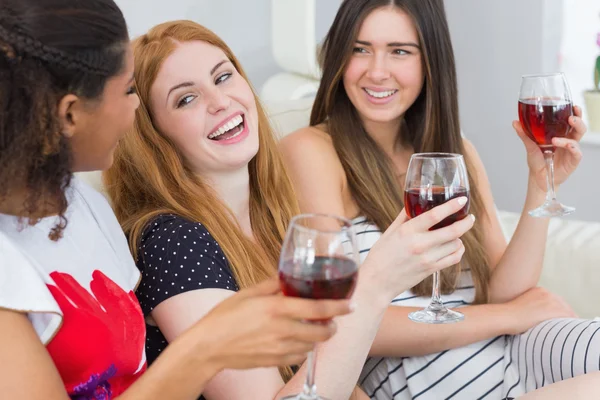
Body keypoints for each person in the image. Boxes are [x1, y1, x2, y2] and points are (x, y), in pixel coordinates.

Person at [0, 1, 356, 398]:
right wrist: (207, 346)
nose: (135, 110)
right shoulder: (167, 239)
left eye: (224, 77)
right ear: (69, 115)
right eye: (129, 90)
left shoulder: (86, 208)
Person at [104, 19, 475, 400]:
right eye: (186, 99)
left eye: (223, 77)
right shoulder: (172, 240)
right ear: (153, 136)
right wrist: (373, 286)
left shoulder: (274, 218)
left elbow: (330, 372)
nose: (219, 102)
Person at [280, 0, 600, 399]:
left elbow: (504, 288)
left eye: (400, 51)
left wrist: (540, 183)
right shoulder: (312, 151)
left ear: (430, 60)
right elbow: (340, 316)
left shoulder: (455, 152)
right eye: (360, 49)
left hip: (518, 355)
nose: (376, 71)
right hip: (437, 383)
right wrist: (507, 317)